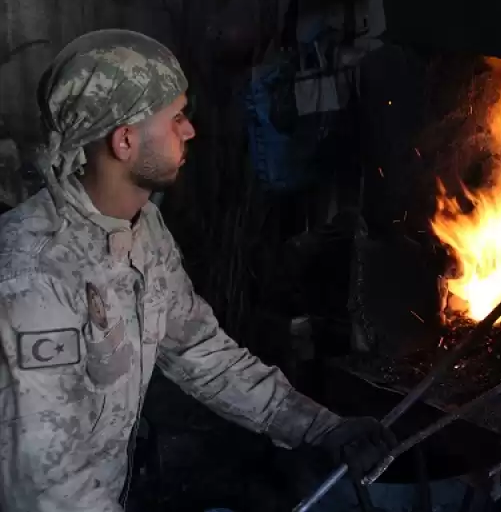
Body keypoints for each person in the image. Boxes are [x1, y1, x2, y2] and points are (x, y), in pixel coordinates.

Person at [0, 29, 395, 512]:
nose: (189, 131)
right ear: (124, 141)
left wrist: (320, 426)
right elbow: (46, 492)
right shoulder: (35, 279)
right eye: (176, 118)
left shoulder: (142, 227)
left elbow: (201, 351)